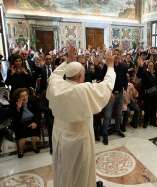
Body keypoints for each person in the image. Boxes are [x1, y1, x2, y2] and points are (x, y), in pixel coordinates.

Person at [46, 47, 116, 187]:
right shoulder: (82, 89)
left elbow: (55, 74)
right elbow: (107, 85)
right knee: (80, 172)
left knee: (63, 169)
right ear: (80, 76)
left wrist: (67, 62)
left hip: (59, 135)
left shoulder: (55, 85)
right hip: (78, 140)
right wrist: (110, 66)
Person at [10, 88, 41, 158]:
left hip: (32, 120)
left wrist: (35, 122)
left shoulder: (32, 101)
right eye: (22, 96)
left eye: (26, 95)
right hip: (20, 123)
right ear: (18, 97)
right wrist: (18, 108)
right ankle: (21, 151)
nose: (25, 97)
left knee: (35, 137)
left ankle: (34, 146)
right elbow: (15, 119)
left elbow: (38, 113)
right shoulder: (14, 103)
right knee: (22, 139)